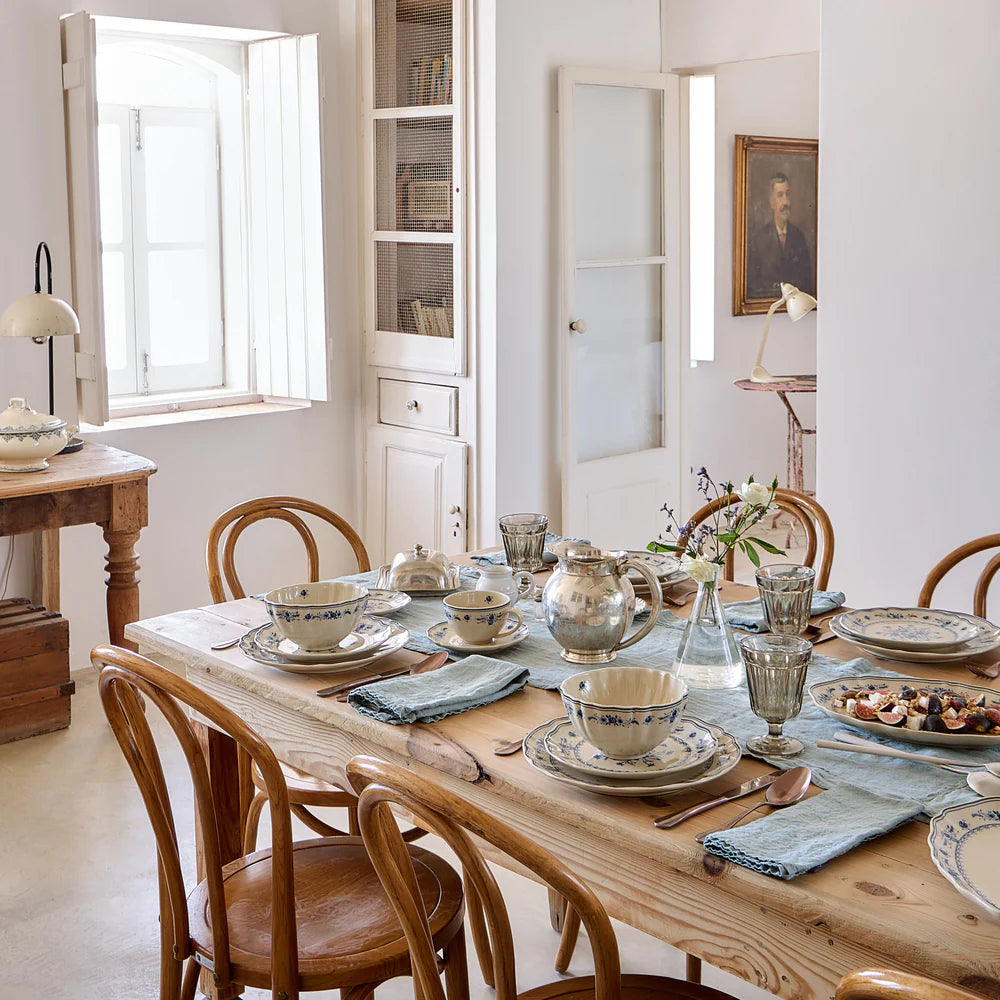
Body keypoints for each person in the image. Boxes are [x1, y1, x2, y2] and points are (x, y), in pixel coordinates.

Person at [747, 171, 814, 299]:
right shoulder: (758, 241)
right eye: (780, 195)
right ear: (772, 202)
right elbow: (752, 288)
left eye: (788, 194)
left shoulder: (799, 238)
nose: (786, 202)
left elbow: (808, 287)